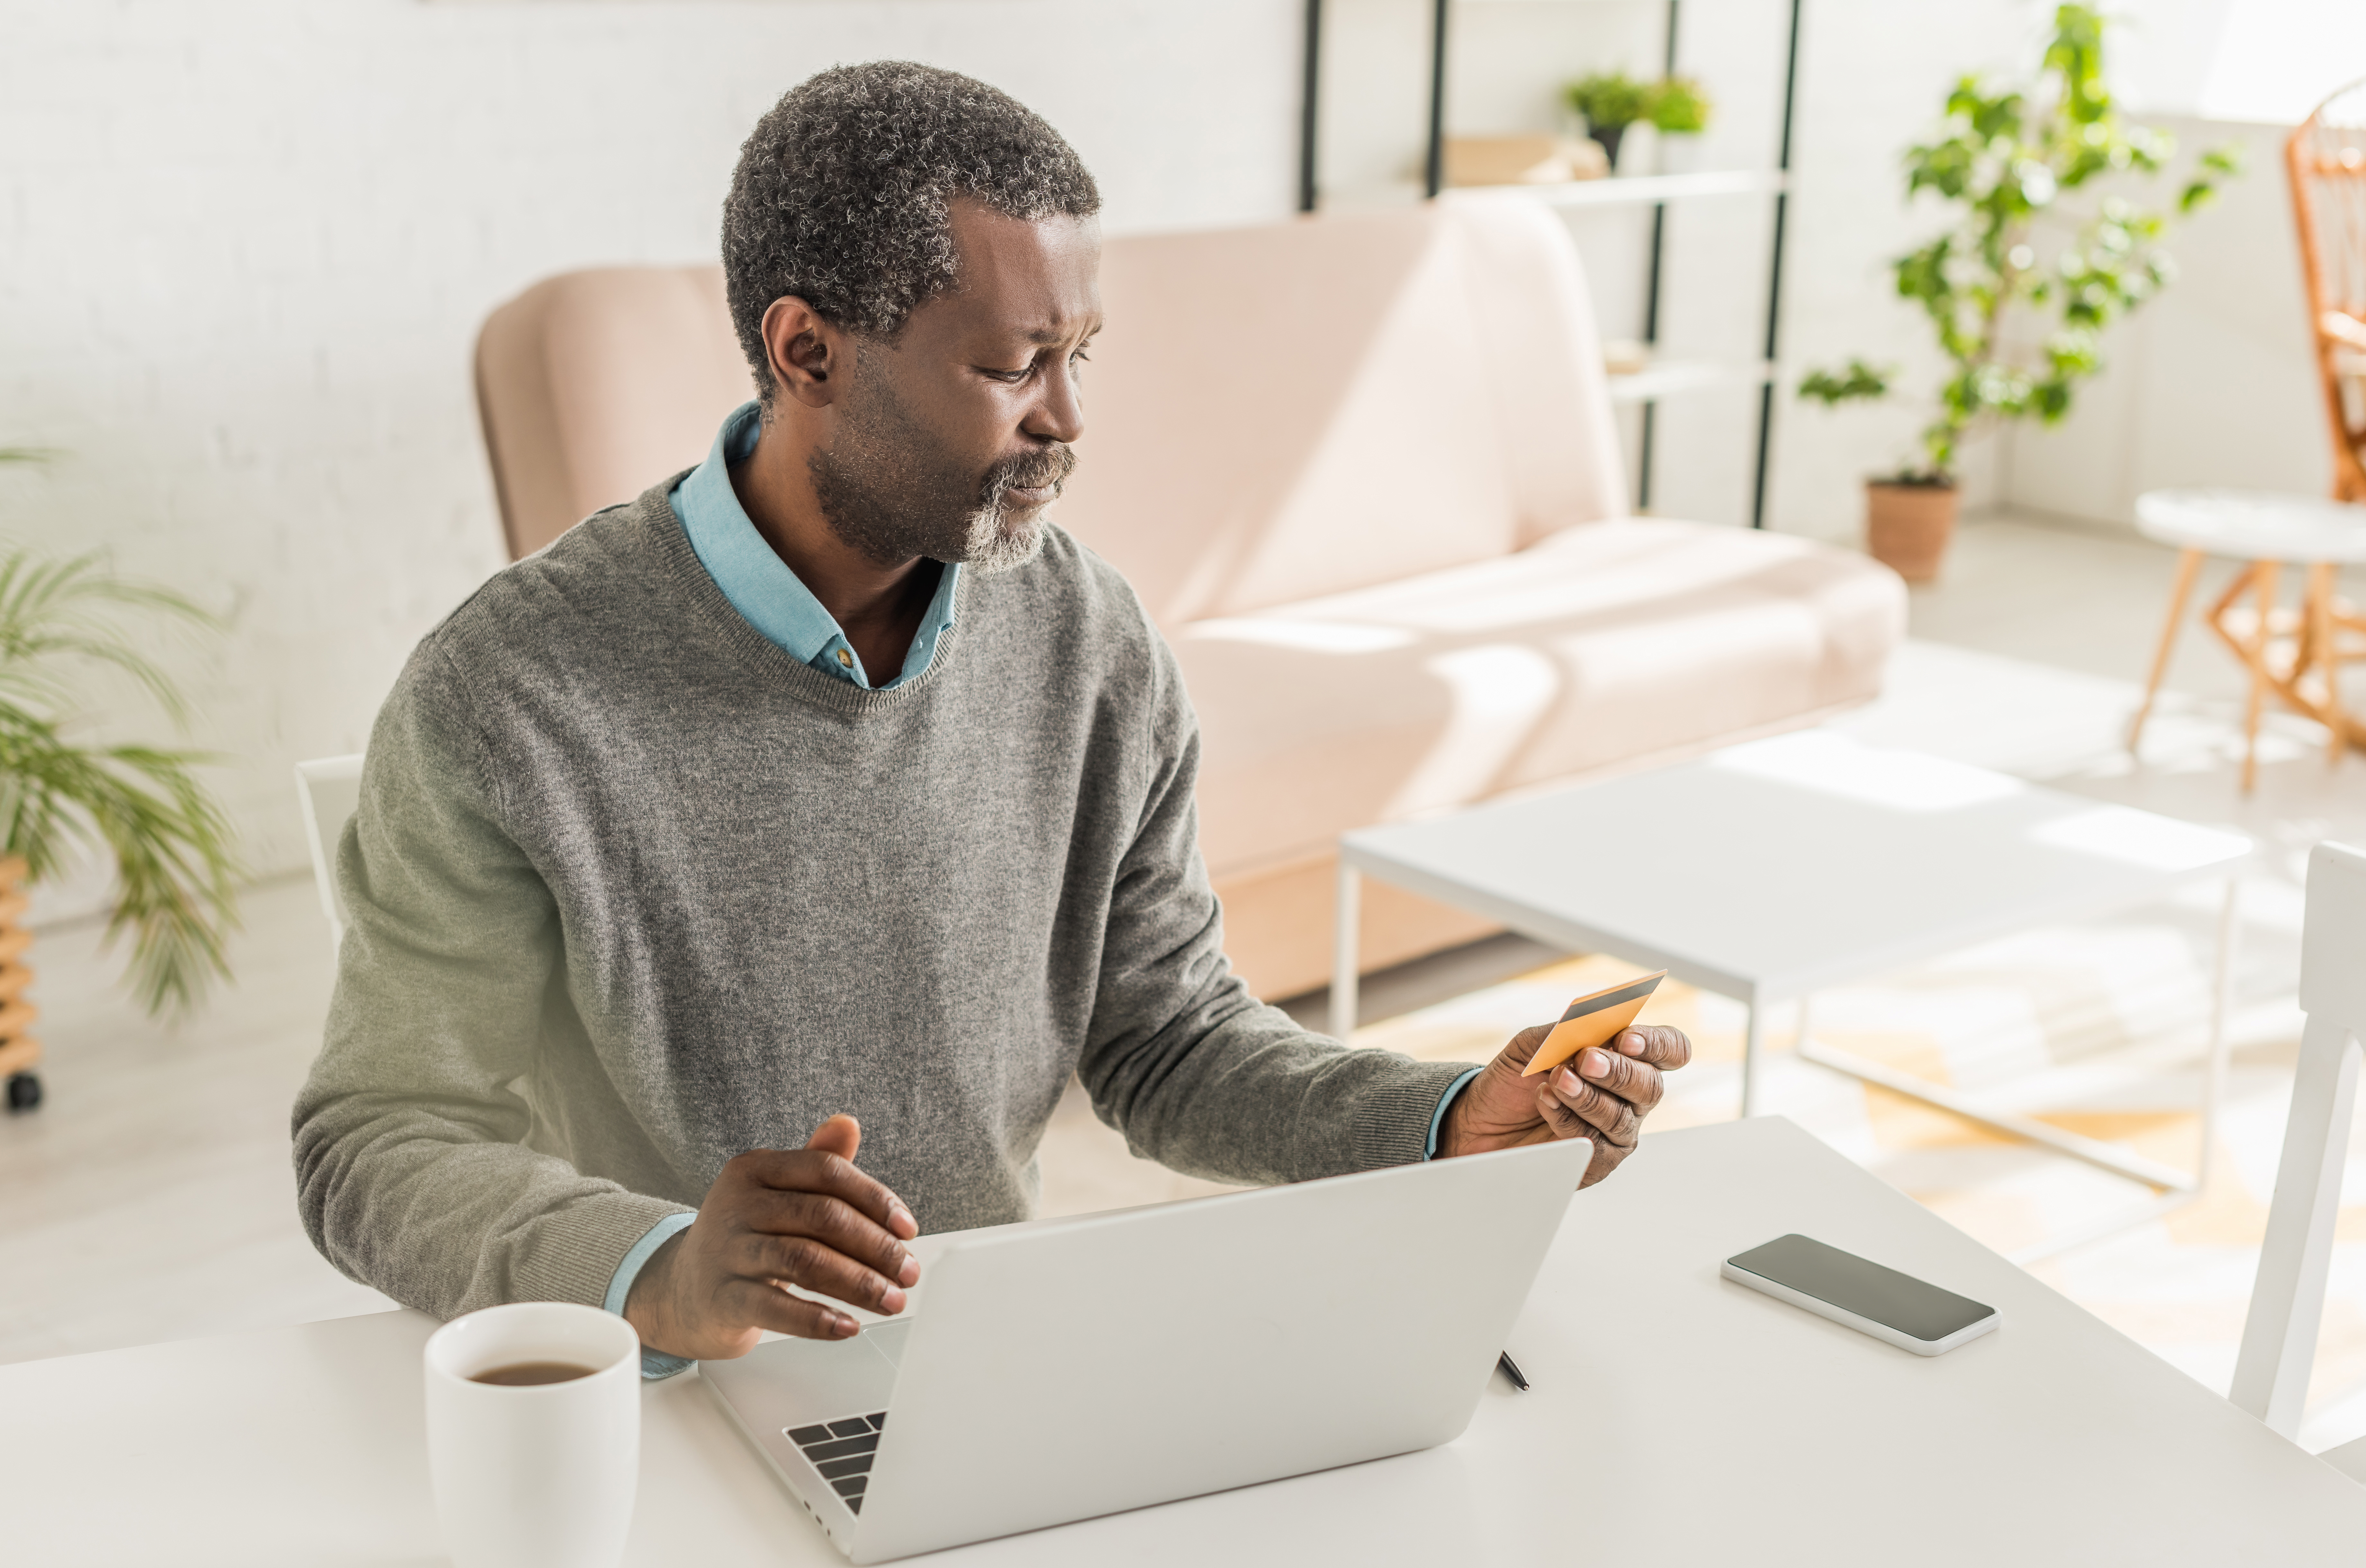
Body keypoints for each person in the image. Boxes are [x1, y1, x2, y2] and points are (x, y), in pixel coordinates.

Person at [293, 61, 1690, 1378]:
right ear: (807, 351)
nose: (1067, 418)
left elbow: (1167, 1039)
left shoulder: (1090, 645)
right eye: (1013, 364)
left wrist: (1444, 1122)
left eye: (1084, 352)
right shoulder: (510, 691)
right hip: (650, 1394)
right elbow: (377, 1137)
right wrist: (659, 1266)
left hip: (980, 1374)